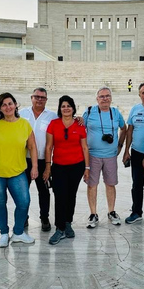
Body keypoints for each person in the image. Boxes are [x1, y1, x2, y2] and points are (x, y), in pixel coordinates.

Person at [0, 92, 38, 247]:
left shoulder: (24, 124)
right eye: (3, 105)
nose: (7, 107)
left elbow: (32, 147)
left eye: (10, 103)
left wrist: (34, 167)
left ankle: (18, 232)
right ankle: (4, 233)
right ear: (0, 108)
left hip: (17, 171)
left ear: (15, 104)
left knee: (24, 202)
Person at [43, 95, 90, 245]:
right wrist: (48, 167)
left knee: (71, 195)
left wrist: (87, 168)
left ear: (73, 108)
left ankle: (68, 222)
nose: (66, 108)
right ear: (60, 108)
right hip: (59, 167)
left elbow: (84, 147)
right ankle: (60, 228)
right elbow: (49, 147)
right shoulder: (53, 124)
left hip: (77, 166)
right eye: (63, 106)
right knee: (60, 196)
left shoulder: (80, 124)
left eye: (69, 106)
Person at [83, 86, 126, 228]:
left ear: (111, 98)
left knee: (110, 184)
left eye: (107, 96)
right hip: (93, 155)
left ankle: (111, 211)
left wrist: (120, 146)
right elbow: (80, 128)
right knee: (92, 184)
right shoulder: (89, 112)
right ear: (97, 99)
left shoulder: (115, 113)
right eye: (101, 96)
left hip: (110, 156)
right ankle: (93, 213)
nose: (105, 98)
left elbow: (124, 128)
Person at [19, 87, 56, 232]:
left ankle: (44, 217)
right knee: (22, 191)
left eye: (43, 97)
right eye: (37, 97)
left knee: (44, 191)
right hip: (23, 160)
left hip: (43, 160)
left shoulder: (52, 116)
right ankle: (23, 217)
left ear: (46, 100)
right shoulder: (21, 114)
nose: (39, 99)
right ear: (31, 98)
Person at [123, 82, 144, 224]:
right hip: (137, 153)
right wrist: (126, 151)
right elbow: (130, 130)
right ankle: (136, 212)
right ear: (139, 95)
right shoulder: (135, 109)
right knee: (137, 184)